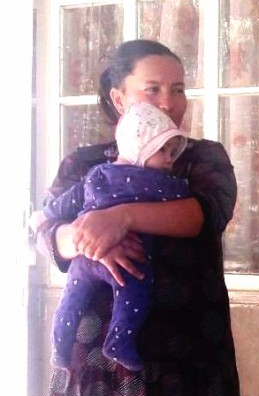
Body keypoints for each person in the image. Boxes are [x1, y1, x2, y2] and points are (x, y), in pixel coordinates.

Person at [30, 39, 241, 396]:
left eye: (178, 89)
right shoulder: (84, 163)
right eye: (153, 89)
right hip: (96, 357)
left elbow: (203, 215)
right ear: (119, 98)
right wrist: (84, 239)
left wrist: (121, 217)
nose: (169, 102)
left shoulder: (198, 157)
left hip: (185, 352)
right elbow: (49, 230)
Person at [38, 101, 190, 371]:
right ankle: (119, 342)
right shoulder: (151, 181)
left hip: (82, 260)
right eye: (161, 150)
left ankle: (60, 348)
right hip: (126, 261)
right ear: (140, 147)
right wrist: (184, 187)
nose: (169, 159)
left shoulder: (95, 173)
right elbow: (182, 198)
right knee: (135, 293)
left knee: (71, 300)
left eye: (171, 151)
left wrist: (47, 214)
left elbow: (62, 205)